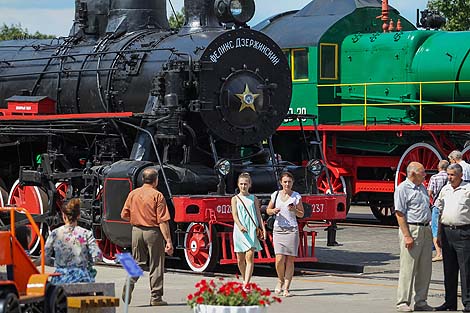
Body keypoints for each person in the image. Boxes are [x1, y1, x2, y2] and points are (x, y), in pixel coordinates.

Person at [121, 168, 173, 306]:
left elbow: (124, 214)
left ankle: (129, 282)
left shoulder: (133, 194)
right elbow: (162, 221)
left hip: (136, 231)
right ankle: (156, 298)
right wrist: (168, 240)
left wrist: (137, 219)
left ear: (143, 179)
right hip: (153, 232)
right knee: (156, 264)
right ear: (156, 180)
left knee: (138, 262)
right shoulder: (158, 195)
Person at [394, 162, 433, 312]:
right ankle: (403, 301)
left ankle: (421, 301)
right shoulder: (403, 188)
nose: (425, 175)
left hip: (425, 228)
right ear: (412, 174)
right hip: (412, 228)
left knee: (425, 268)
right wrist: (407, 235)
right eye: (422, 172)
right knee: (408, 268)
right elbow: (399, 213)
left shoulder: (421, 187)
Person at [434, 163, 470, 312]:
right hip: (447, 232)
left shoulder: (468, 189)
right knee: (449, 270)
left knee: (466, 270)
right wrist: (438, 234)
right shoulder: (445, 189)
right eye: (448, 174)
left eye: (452, 175)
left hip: (464, 233)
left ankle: (468, 302)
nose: (449, 178)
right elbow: (439, 210)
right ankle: (450, 302)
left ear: (460, 175)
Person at [45, 198, 102, 284]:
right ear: (78, 216)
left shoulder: (55, 233)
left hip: (61, 278)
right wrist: (86, 263)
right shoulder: (86, 233)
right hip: (82, 278)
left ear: (63, 215)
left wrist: (59, 263)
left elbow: (45, 258)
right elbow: (97, 257)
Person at [266, 171, 304, 297]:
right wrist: (273, 210)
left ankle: (287, 287)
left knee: (290, 260)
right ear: (281, 182)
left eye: (289, 182)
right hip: (278, 229)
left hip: (292, 229)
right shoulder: (275, 194)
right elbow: (268, 210)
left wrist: (295, 210)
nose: (287, 184)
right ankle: (280, 280)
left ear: (292, 183)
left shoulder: (296, 196)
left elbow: (302, 214)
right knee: (279, 259)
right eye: (285, 182)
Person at [232, 172, 266, 287]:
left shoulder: (254, 198)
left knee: (249, 256)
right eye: (241, 184)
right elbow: (235, 215)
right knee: (240, 260)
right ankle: (244, 278)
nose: (243, 186)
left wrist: (263, 228)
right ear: (238, 184)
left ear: (250, 184)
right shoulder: (235, 199)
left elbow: (258, 214)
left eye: (245, 184)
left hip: (251, 229)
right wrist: (240, 225)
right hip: (240, 230)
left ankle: (246, 283)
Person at [427, 160, 449, 262]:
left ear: (438, 167)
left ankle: (439, 253)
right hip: (448, 205)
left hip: (437, 205)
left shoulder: (434, 177)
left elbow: (429, 192)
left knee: (435, 228)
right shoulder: (449, 177)